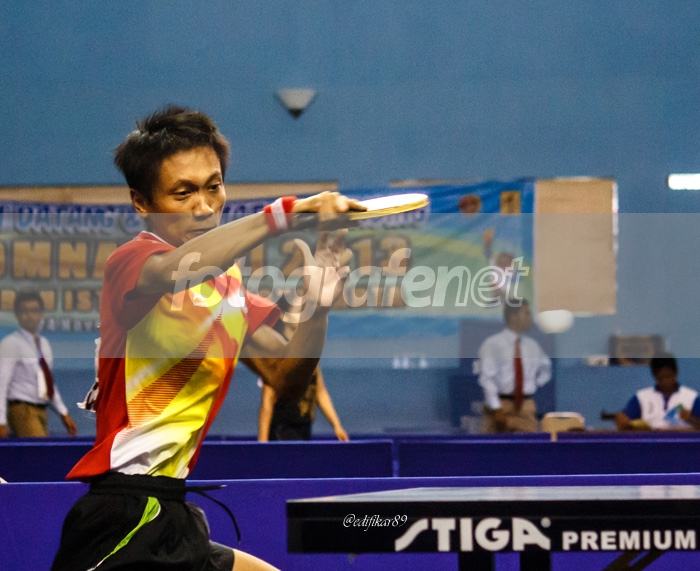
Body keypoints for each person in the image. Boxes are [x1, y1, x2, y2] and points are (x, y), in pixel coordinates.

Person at [51, 105, 364, 571]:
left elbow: (287, 380)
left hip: (173, 511)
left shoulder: (229, 287)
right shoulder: (132, 264)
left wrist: (318, 305)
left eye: (213, 187)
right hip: (123, 515)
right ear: (142, 202)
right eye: (183, 193)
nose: (203, 206)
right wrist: (286, 214)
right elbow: (181, 269)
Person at [0, 291, 77, 438]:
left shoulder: (44, 344)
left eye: (34, 310)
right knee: (40, 451)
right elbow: (1, 386)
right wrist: (1, 422)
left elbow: (48, 382)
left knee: (43, 450)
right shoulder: (10, 344)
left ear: (41, 313)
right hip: (22, 409)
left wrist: (63, 413)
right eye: (24, 311)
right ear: (17, 314)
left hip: (42, 409)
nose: (29, 315)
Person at [478, 299, 551, 433]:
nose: (530, 318)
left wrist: (532, 384)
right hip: (501, 405)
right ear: (514, 316)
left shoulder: (532, 346)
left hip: (525, 407)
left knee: (528, 445)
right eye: (526, 313)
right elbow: (487, 379)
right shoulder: (493, 344)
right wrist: (496, 408)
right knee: (494, 445)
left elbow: (546, 369)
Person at [615, 353, 700, 431]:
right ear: (654, 375)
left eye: (668, 376)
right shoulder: (641, 398)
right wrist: (622, 422)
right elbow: (626, 425)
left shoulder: (692, 398)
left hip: (683, 442)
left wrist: (691, 419)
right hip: (649, 441)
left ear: (676, 373)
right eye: (661, 378)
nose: (665, 382)